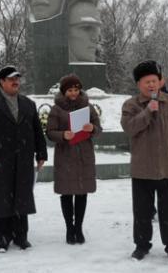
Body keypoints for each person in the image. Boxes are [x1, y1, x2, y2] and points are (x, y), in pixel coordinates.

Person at [121, 60, 168, 265]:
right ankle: (142, 246)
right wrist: (147, 112)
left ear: (160, 81)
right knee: (142, 211)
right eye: (146, 82)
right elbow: (129, 128)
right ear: (138, 85)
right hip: (142, 168)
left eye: (154, 81)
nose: (151, 85)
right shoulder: (131, 105)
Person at [0, 65, 48, 253]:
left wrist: (41, 153)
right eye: (11, 79)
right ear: (2, 82)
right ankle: (2, 239)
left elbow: (37, 132)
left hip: (23, 159)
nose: (15, 82)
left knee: (22, 197)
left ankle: (21, 236)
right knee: (1, 199)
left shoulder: (28, 104)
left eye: (17, 78)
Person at [45, 74, 102, 245]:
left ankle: (79, 227)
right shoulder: (56, 109)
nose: (73, 93)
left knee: (82, 193)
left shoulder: (88, 107)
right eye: (70, 90)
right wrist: (63, 134)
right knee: (67, 193)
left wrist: (92, 128)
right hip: (66, 156)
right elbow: (49, 132)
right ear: (64, 91)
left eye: (76, 90)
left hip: (84, 155)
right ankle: (70, 228)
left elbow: (99, 129)